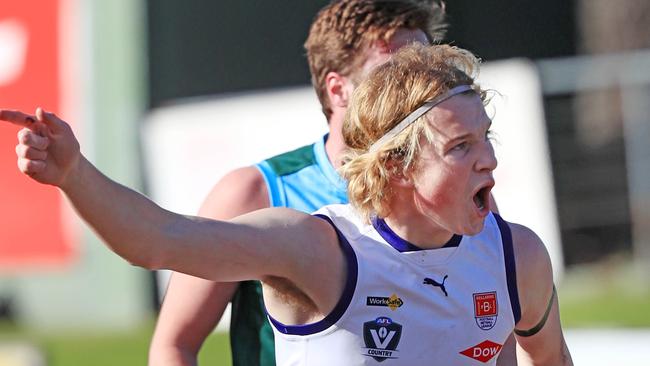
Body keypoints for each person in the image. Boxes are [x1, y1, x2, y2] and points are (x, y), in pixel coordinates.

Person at [2, 43, 572, 365]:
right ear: (396, 164)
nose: (490, 160)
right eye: (461, 146)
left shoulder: (515, 255)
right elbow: (159, 240)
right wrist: (73, 174)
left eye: (487, 137)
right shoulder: (316, 249)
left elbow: (550, 361)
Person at [150, 1, 447, 365]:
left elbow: (507, 327)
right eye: (391, 75)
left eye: (426, 73)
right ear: (338, 90)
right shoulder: (255, 194)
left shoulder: (451, 191)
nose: (416, 93)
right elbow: (173, 346)